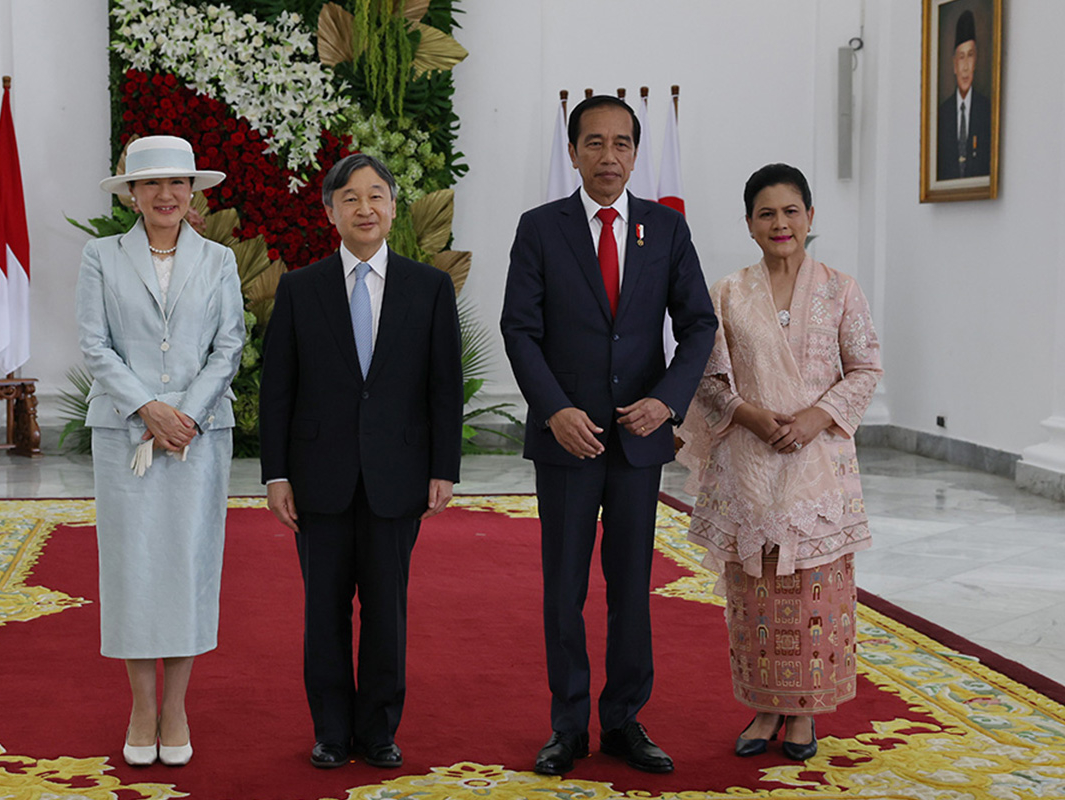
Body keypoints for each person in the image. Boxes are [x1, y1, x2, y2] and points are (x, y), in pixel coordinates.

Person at [501, 95, 718, 776]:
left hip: (638, 442)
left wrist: (667, 402)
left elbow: (699, 326)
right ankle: (567, 727)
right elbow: (520, 330)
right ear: (573, 153)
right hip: (567, 440)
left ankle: (624, 720)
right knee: (563, 588)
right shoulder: (540, 228)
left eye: (622, 144)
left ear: (635, 154)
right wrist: (555, 409)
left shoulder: (666, 230)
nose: (608, 156)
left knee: (630, 588)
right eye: (593, 143)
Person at [258, 153, 463, 770]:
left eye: (377, 195)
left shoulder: (428, 288)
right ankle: (329, 730)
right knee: (323, 610)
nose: (365, 207)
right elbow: (279, 390)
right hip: (318, 478)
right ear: (329, 212)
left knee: (385, 610)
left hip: (396, 477)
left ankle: (378, 729)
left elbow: (443, 386)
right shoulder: (300, 288)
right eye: (350, 198)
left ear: (394, 207)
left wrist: (442, 467)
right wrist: (276, 474)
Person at [677, 163, 882, 761]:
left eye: (791, 211)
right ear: (748, 224)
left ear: (811, 217)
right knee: (756, 596)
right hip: (750, 464)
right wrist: (748, 415)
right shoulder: (728, 293)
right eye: (766, 213)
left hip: (818, 467)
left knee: (814, 595)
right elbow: (708, 376)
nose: (780, 223)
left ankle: (803, 716)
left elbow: (866, 366)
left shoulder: (841, 289)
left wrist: (817, 418)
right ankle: (765, 708)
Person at [76, 135, 246, 767]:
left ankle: (176, 706)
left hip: (197, 439)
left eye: (178, 184)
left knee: (187, 566)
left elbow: (228, 346)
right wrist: (147, 409)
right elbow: (95, 345)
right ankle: (140, 706)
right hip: (124, 435)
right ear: (132, 195)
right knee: (133, 569)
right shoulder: (101, 256)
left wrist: (185, 415)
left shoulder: (219, 261)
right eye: (152, 185)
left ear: (193, 191)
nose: (166, 195)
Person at [937, 8, 991, 180]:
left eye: (970, 56)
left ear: (976, 61)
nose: (966, 67)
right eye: (961, 57)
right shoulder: (941, 114)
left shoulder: (987, 110)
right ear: (954, 64)